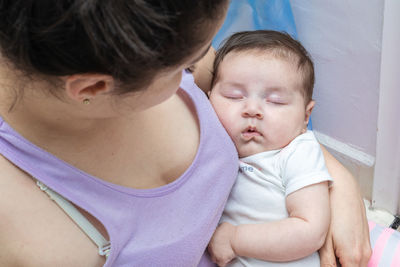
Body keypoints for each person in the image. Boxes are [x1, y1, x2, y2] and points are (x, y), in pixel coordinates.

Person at [0, 1, 370, 267]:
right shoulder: (25, 234)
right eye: (187, 67)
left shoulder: (148, 32)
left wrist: (336, 179)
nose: (199, 70)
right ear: (94, 88)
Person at [207, 30, 332, 266]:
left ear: (306, 115)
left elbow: (311, 229)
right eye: (234, 96)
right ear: (208, 97)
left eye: (275, 101)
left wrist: (235, 239)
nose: (252, 109)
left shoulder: (298, 152)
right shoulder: (210, 145)